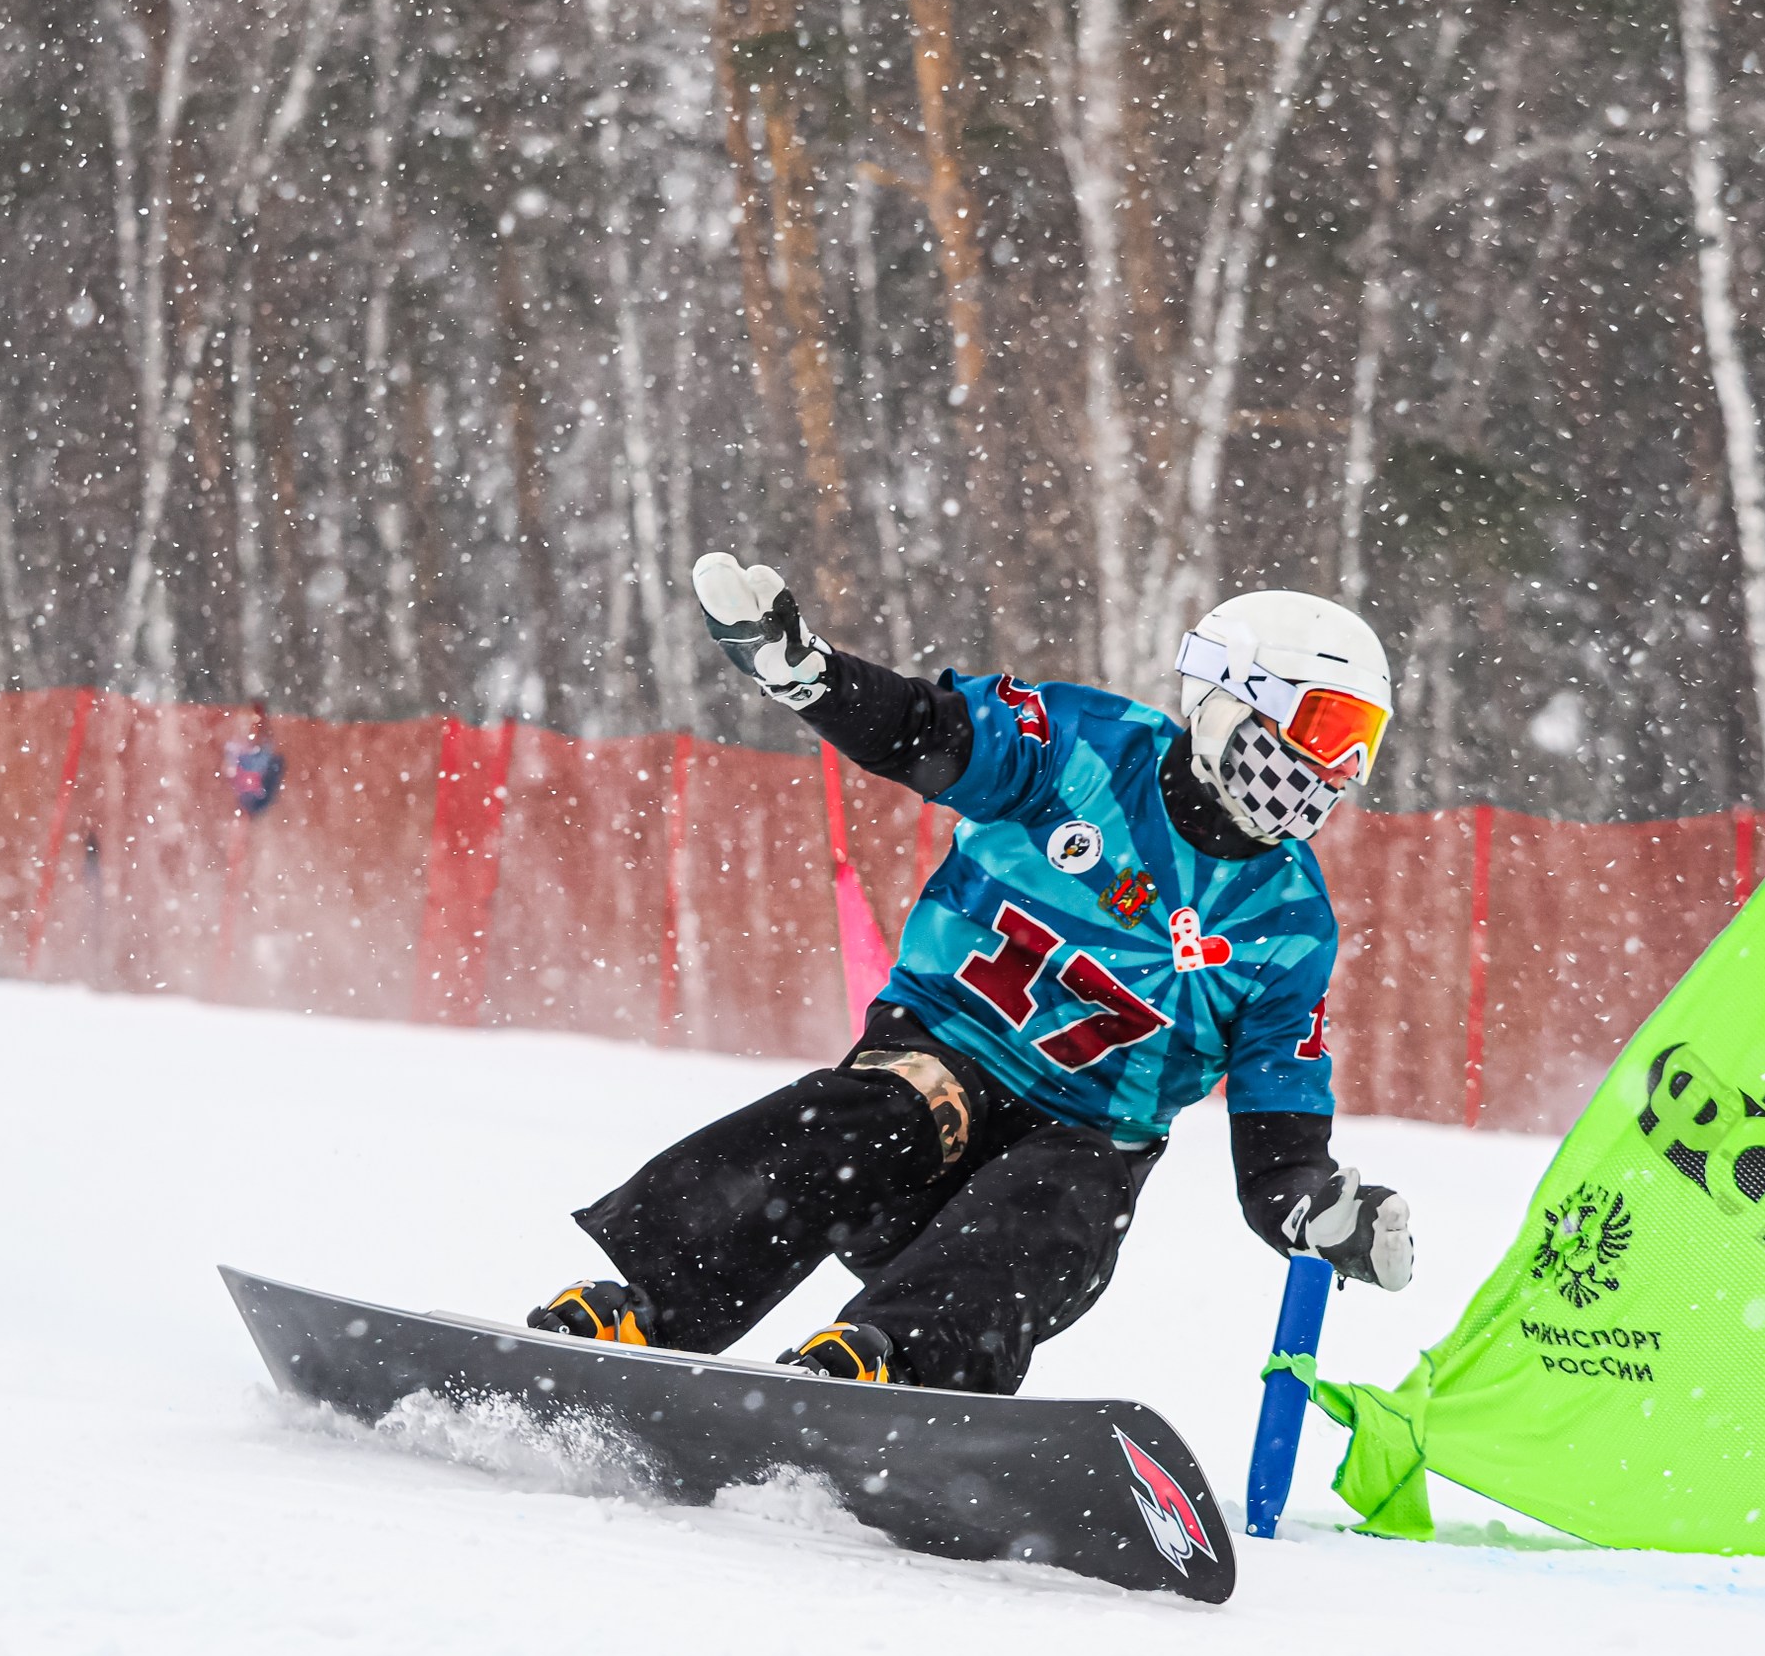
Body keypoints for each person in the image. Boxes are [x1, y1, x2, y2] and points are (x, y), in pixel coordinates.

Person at [529, 554, 1414, 1392]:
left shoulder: (1290, 925)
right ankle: (653, 1310)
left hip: (1065, 1171)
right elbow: (930, 731)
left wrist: (1317, 1212)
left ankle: (895, 1365)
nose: (1334, 771)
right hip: (931, 1076)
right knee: (898, 1105)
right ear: (1230, 697)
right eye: (1326, 729)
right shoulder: (1082, 751)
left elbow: (1278, 1147)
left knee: (1074, 1177)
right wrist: (816, 679)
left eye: (1360, 747)